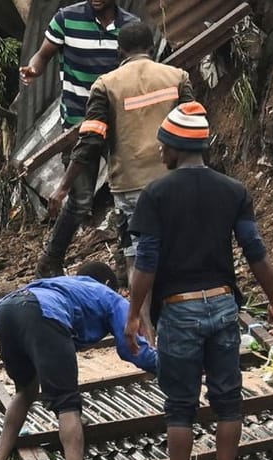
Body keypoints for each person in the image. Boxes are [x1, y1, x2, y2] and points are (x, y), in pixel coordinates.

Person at [126, 102, 273, 460]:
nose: (160, 153)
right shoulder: (233, 190)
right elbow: (254, 250)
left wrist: (134, 314)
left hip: (179, 309)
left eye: (163, 145)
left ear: (175, 148)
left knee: (180, 408)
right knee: (227, 401)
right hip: (222, 306)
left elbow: (146, 262)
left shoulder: (155, 194)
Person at [0, 261, 159, 460]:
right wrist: (171, 365)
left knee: (25, 391)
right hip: (42, 313)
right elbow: (133, 349)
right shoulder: (109, 295)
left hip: (4, 311)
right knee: (68, 403)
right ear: (108, 283)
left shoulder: (65, 285)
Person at [39, 20, 191, 277]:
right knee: (179, 246)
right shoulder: (177, 77)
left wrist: (64, 186)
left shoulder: (105, 85)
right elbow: (193, 126)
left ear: (119, 52)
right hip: (174, 180)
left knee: (137, 254)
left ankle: (140, 314)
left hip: (130, 183)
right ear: (152, 48)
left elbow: (91, 141)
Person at [19, 0, 140, 133]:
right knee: (78, 161)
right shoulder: (66, 19)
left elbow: (138, 72)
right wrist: (33, 69)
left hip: (118, 122)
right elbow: (42, 55)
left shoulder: (131, 27)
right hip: (77, 124)